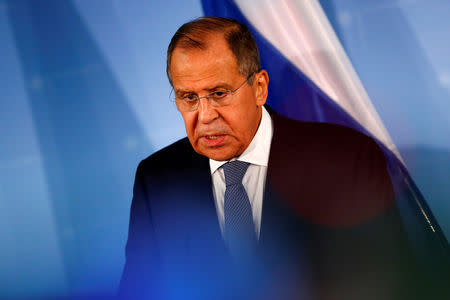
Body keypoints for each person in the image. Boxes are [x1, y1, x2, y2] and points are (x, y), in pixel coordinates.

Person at [119, 17, 423, 300]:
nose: (205, 116)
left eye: (220, 93)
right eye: (189, 97)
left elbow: (391, 285)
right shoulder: (157, 178)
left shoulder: (346, 158)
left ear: (259, 88)